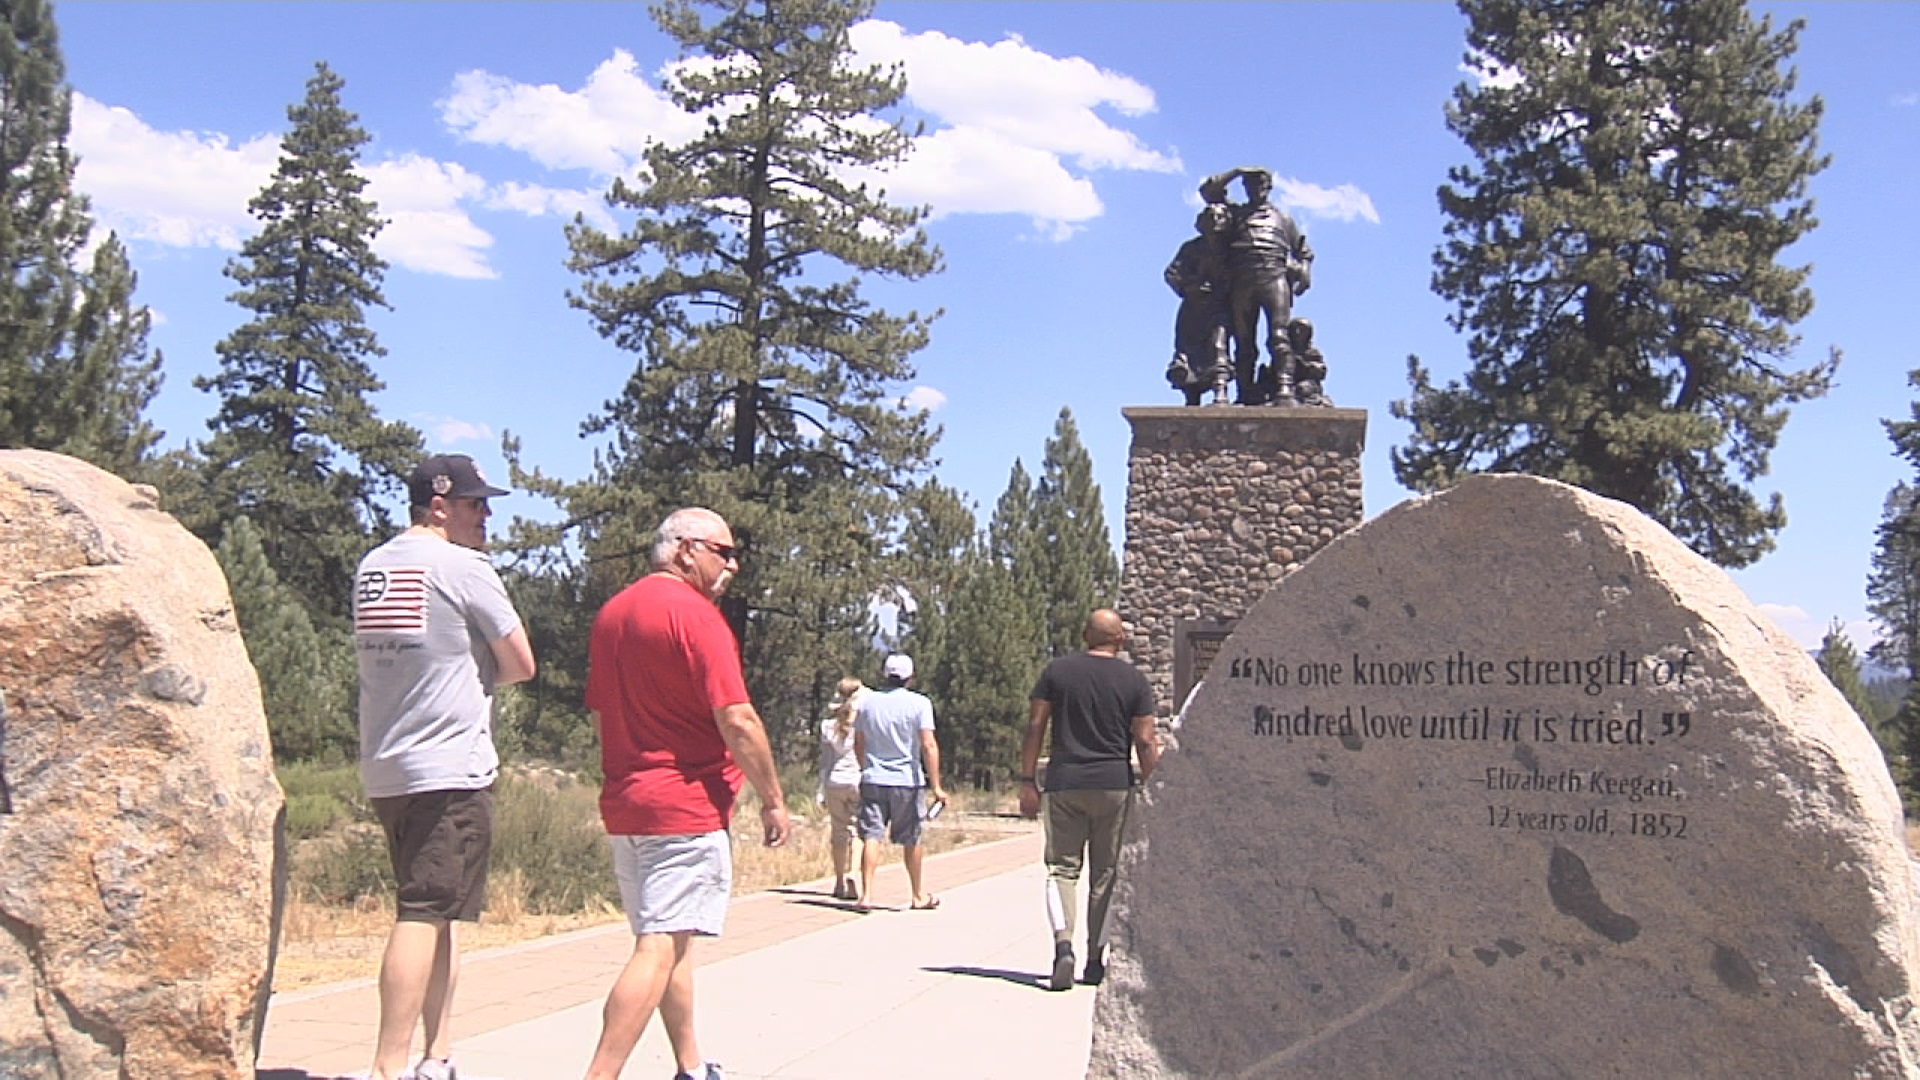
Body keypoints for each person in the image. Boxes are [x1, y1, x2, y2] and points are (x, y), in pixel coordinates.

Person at [581, 507, 791, 1080]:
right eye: (722, 552)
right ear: (683, 550)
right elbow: (738, 718)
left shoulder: (612, 615)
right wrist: (773, 797)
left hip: (628, 804)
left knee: (671, 940)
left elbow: (602, 713)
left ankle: (690, 1064)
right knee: (657, 947)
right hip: (685, 806)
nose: (732, 565)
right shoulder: (697, 618)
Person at [353, 453, 537, 1080]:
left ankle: (438, 1054)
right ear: (438, 505)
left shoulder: (373, 567)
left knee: (440, 912)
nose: (486, 515)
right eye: (474, 503)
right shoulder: (462, 568)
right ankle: (388, 1067)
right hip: (448, 767)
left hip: (387, 763)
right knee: (425, 908)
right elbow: (520, 663)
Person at [1019, 609, 1159, 991]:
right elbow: (1145, 741)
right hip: (1114, 783)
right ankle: (1096, 960)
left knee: (1061, 869)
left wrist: (1027, 779)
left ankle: (1063, 946)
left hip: (1065, 781)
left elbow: (1035, 726)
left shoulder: (1057, 672)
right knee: (1107, 873)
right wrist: (1158, 787)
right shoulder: (1134, 681)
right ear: (1121, 640)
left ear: (1085, 635)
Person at [1200, 166, 1314, 405]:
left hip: (1274, 277)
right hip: (1242, 280)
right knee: (1243, 340)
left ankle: (1284, 387)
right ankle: (1245, 392)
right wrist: (1237, 171)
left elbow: (1304, 252)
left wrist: (1303, 271)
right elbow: (1209, 191)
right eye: (1251, 185)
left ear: (1269, 188)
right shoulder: (1236, 214)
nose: (1257, 190)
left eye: (1261, 185)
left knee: (1279, 336)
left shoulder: (1283, 219)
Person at [853, 653, 948, 911]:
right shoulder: (919, 704)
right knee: (911, 838)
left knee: (872, 835)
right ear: (910, 677)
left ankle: (867, 894)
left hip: (874, 777)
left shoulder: (867, 703)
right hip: (907, 780)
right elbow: (928, 744)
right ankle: (918, 895)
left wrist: (866, 767)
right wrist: (936, 784)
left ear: (885, 675)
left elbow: (858, 741)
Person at [1164, 202, 1234, 406]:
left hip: (1218, 307)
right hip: (1193, 309)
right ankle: (1191, 394)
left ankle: (1220, 390)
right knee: (1189, 350)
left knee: (1218, 345)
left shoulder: (1230, 251)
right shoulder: (1191, 248)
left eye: (1220, 217)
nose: (1215, 222)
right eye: (1211, 217)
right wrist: (1189, 287)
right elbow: (1171, 273)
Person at [817, 676, 868, 901]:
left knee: (838, 831)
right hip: (856, 780)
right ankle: (853, 873)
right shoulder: (863, 725)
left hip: (833, 782)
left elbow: (825, 762)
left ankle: (838, 881)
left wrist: (820, 790)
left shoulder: (828, 726)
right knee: (858, 831)